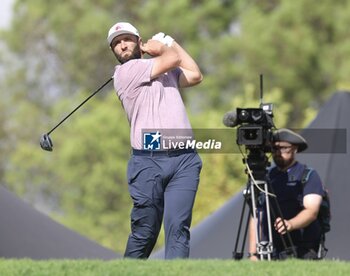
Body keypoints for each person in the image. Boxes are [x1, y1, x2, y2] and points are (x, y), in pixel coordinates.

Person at [106, 22, 203, 259]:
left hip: (184, 159)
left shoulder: (165, 71)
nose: (122, 46)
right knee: (145, 232)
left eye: (127, 39)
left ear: (139, 42)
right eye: (116, 44)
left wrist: (171, 43)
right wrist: (163, 47)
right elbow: (171, 59)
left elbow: (195, 74)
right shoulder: (125, 72)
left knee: (178, 229)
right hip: (149, 162)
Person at [248, 128, 325, 260]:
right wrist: (253, 254)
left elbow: (311, 212)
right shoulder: (266, 177)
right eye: (274, 148)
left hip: (301, 250)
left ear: (295, 149)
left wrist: (290, 224)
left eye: (284, 148)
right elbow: (256, 215)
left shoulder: (308, 175)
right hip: (269, 251)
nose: (278, 152)